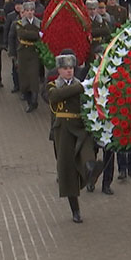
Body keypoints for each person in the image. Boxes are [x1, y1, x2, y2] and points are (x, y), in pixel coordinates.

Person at [47, 53, 103, 223]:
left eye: (71, 68)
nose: (69, 71)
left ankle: (91, 171)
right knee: (68, 169)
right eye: (65, 68)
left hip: (80, 126)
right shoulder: (53, 85)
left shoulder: (80, 84)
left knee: (87, 152)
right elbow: (56, 96)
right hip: (63, 129)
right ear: (59, 70)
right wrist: (82, 87)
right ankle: (75, 210)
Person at [14, 2, 43, 112]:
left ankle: (34, 101)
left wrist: (33, 34)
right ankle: (27, 98)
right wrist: (37, 35)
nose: (30, 12)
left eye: (32, 10)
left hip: (34, 53)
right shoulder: (19, 23)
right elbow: (22, 34)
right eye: (27, 10)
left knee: (34, 77)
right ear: (24, 12)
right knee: (24, 77)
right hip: (23, 53)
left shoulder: (39, 23)